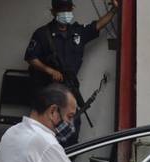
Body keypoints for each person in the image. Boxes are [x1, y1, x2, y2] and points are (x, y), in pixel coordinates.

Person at [25, 0, 118, 147]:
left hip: (69, 88)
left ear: (72, 9)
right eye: (61, 9)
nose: (65, 12)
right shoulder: (43, 34)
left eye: (67, 9)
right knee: (46, 129)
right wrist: (49, 70)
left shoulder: (77, 32)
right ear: (53, 12)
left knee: (73, 125)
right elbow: (31, 58)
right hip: (48, 90)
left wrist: (114, 11)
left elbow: (98, 25)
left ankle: (67, 159)